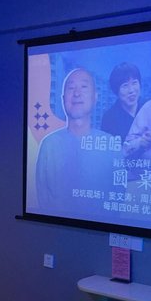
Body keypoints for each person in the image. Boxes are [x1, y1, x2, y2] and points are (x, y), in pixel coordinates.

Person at [36, 67, 120, 212]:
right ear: (63, 99)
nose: (76, 93)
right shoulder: (49, 145)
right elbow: (43, 198)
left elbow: (118, 198)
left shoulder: (111, 145)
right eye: (71, 88)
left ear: (95, 97)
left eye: (84, 87)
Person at [101, 62, 143, 141]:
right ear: (116, 91)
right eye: (125, 85)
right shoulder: (109, 118)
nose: (131, 90)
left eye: (134, 83)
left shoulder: (148, 107)